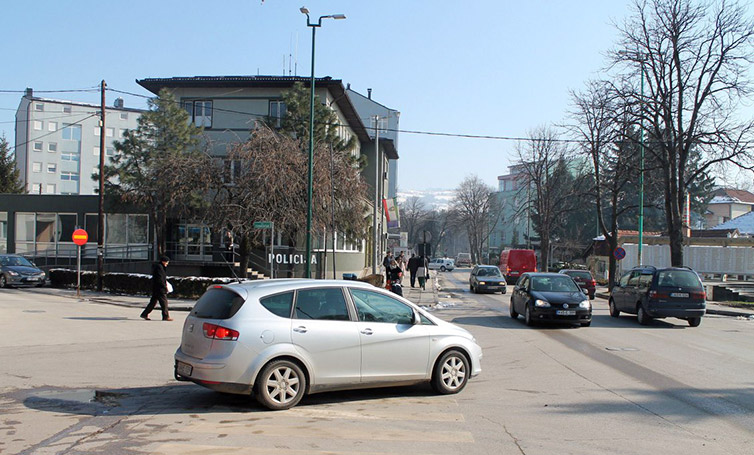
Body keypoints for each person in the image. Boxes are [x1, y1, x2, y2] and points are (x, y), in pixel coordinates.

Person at [140, 255, 172, 321]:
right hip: (159, 288)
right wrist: (164, 286)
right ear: (163, 261)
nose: (167, 263)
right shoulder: (159, 268)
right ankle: (166, 316)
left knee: (153, 302)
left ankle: (144, 314)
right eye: (167, 262)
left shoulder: (160, 267)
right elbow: (160, 279)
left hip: (156, 288)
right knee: (164, 303)